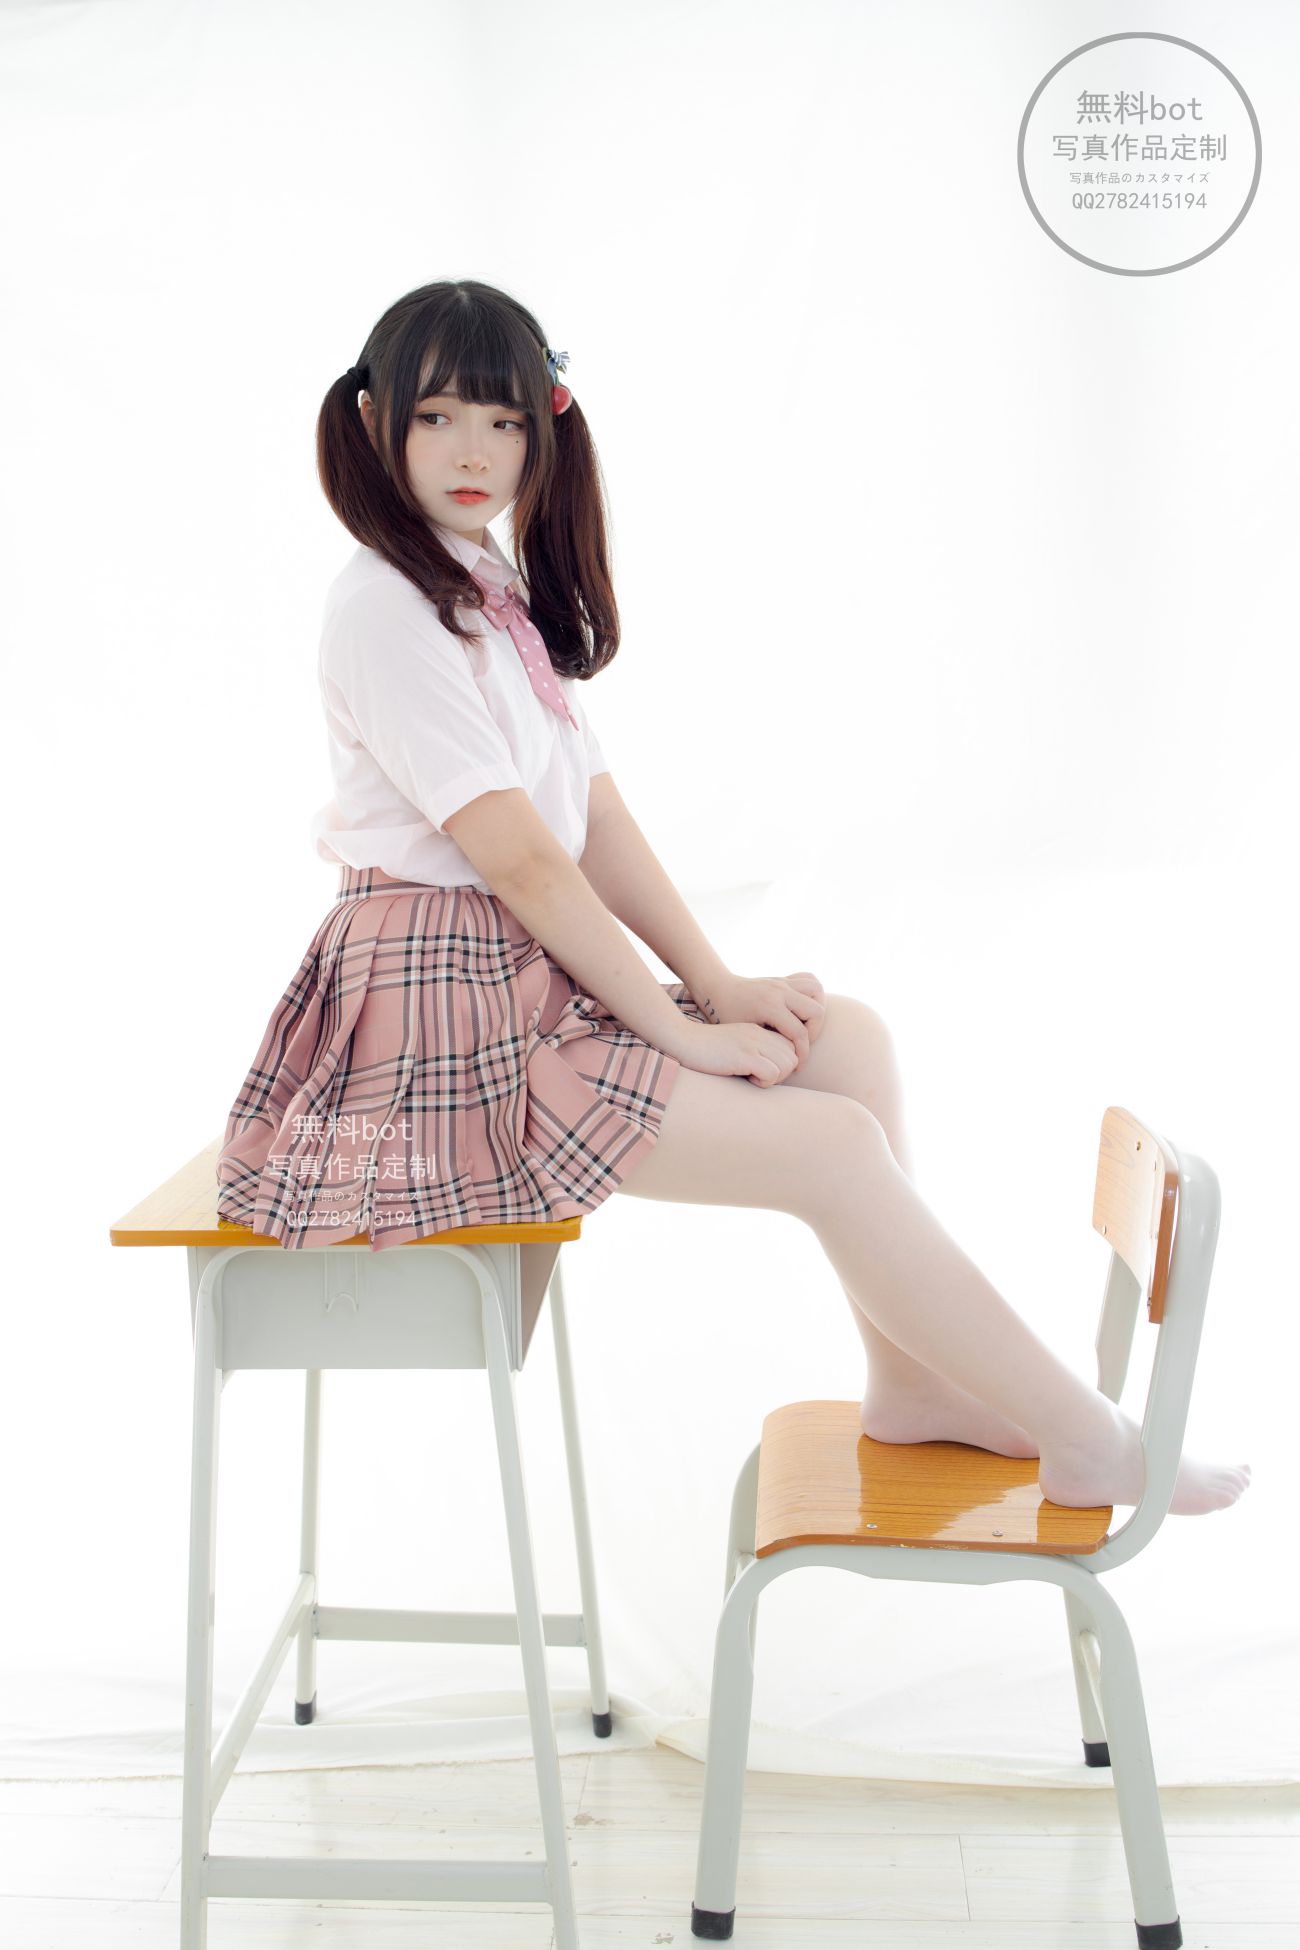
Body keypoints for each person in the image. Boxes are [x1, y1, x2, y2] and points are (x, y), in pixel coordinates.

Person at [216, 278, 1249, 1519]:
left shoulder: (487, 589)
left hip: (523, 967)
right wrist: (676, 1027)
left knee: (847, 1043)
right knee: (831, 1148)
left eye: (502, 421)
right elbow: (521, 862)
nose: (472, 452)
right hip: (439, 1012)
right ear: (374, 421)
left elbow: (594, 820)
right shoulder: (385, 605)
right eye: (436, 418)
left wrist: (718, 983)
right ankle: (1084, 1436)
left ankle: (914, 1383)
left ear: (546, 427)